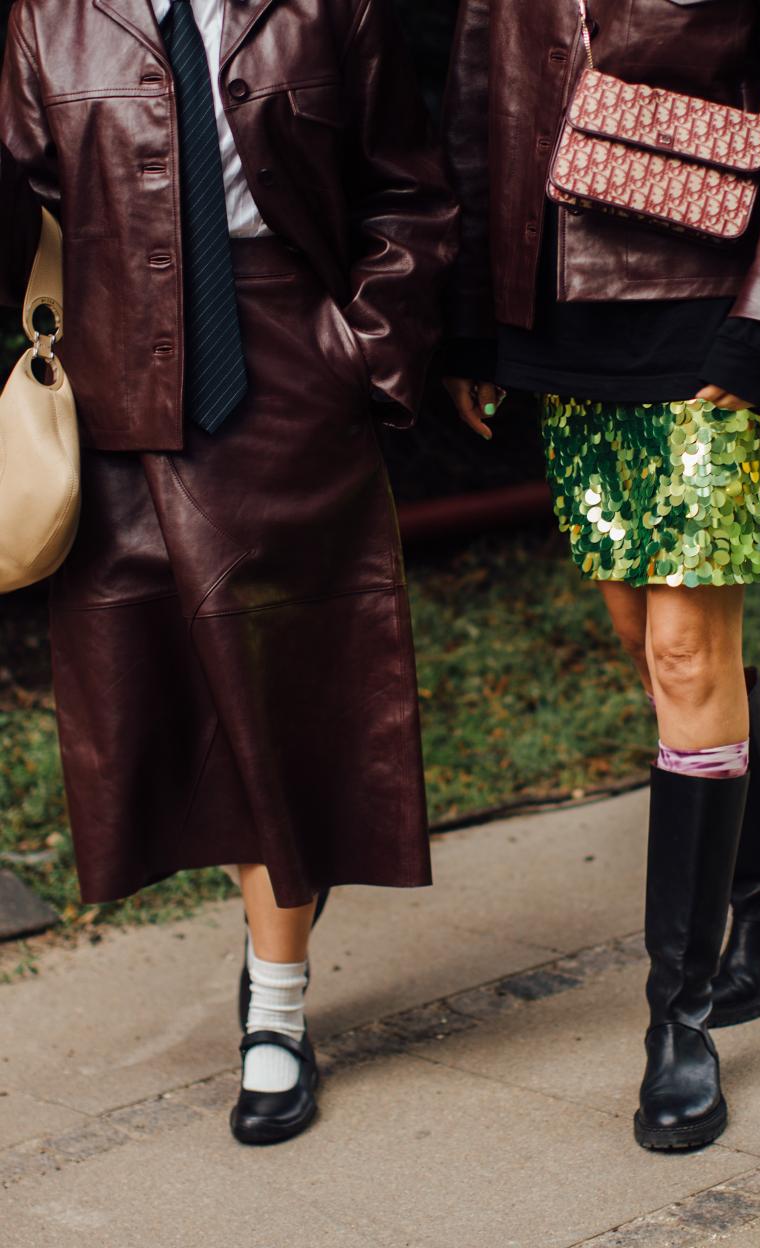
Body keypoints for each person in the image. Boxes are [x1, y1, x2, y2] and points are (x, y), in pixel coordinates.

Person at [0, 0, 456, 1144]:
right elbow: (17, 213)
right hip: (119, 391)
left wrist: (364, 353)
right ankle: (275, 949)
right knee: (179, 703)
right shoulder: (50, 16)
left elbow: (408, 190)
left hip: (291, 373)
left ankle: (278, 1012)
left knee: (279, 702)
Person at [442, 0, 760, 1150]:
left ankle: (679, 1021)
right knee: (650, 648)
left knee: (685, 655)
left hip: (713, 320)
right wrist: (473, 322)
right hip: (565, 328)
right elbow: (483, 112)